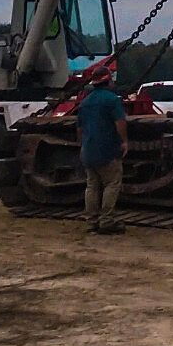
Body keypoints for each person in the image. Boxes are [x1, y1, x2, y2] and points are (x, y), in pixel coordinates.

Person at [74, 70, 130, 235]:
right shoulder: (112, 100)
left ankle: (91, 221)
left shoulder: (85, 102)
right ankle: (106, 220)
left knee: (92, 186)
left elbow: (79, 128)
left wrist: (82, 145)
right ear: (108, 82)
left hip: (89, 150)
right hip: (107, 149)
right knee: (111, 184)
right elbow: (120, 122)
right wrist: (125, 141)